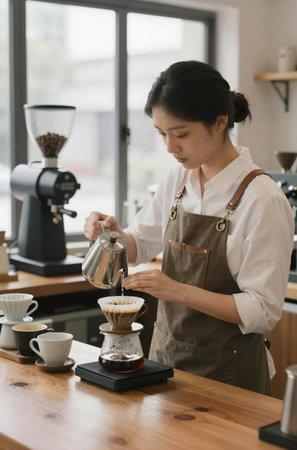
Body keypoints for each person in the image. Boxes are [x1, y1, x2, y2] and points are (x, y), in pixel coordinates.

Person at [84, 60, 294, 394]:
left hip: (230, 377)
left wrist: (178, 290)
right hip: (165, 364)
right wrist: (111, 235)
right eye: (162, 134)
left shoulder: (262, 199)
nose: (170, 147)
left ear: (219, 122)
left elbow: (263, 311)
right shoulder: (178, 180)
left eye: (180, 133)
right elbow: (140, 242)